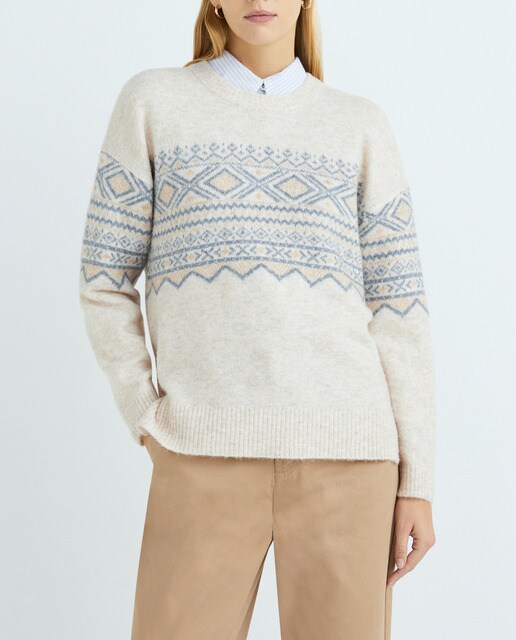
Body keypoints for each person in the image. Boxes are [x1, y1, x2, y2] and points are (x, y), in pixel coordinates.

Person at [78, 1, 437, 638]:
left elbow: (399, 310)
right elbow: (104, 280)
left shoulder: (359, 125)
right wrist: (146, 414)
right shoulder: (153, 103)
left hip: (350, 460)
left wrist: (418, 481)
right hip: (200, 452)